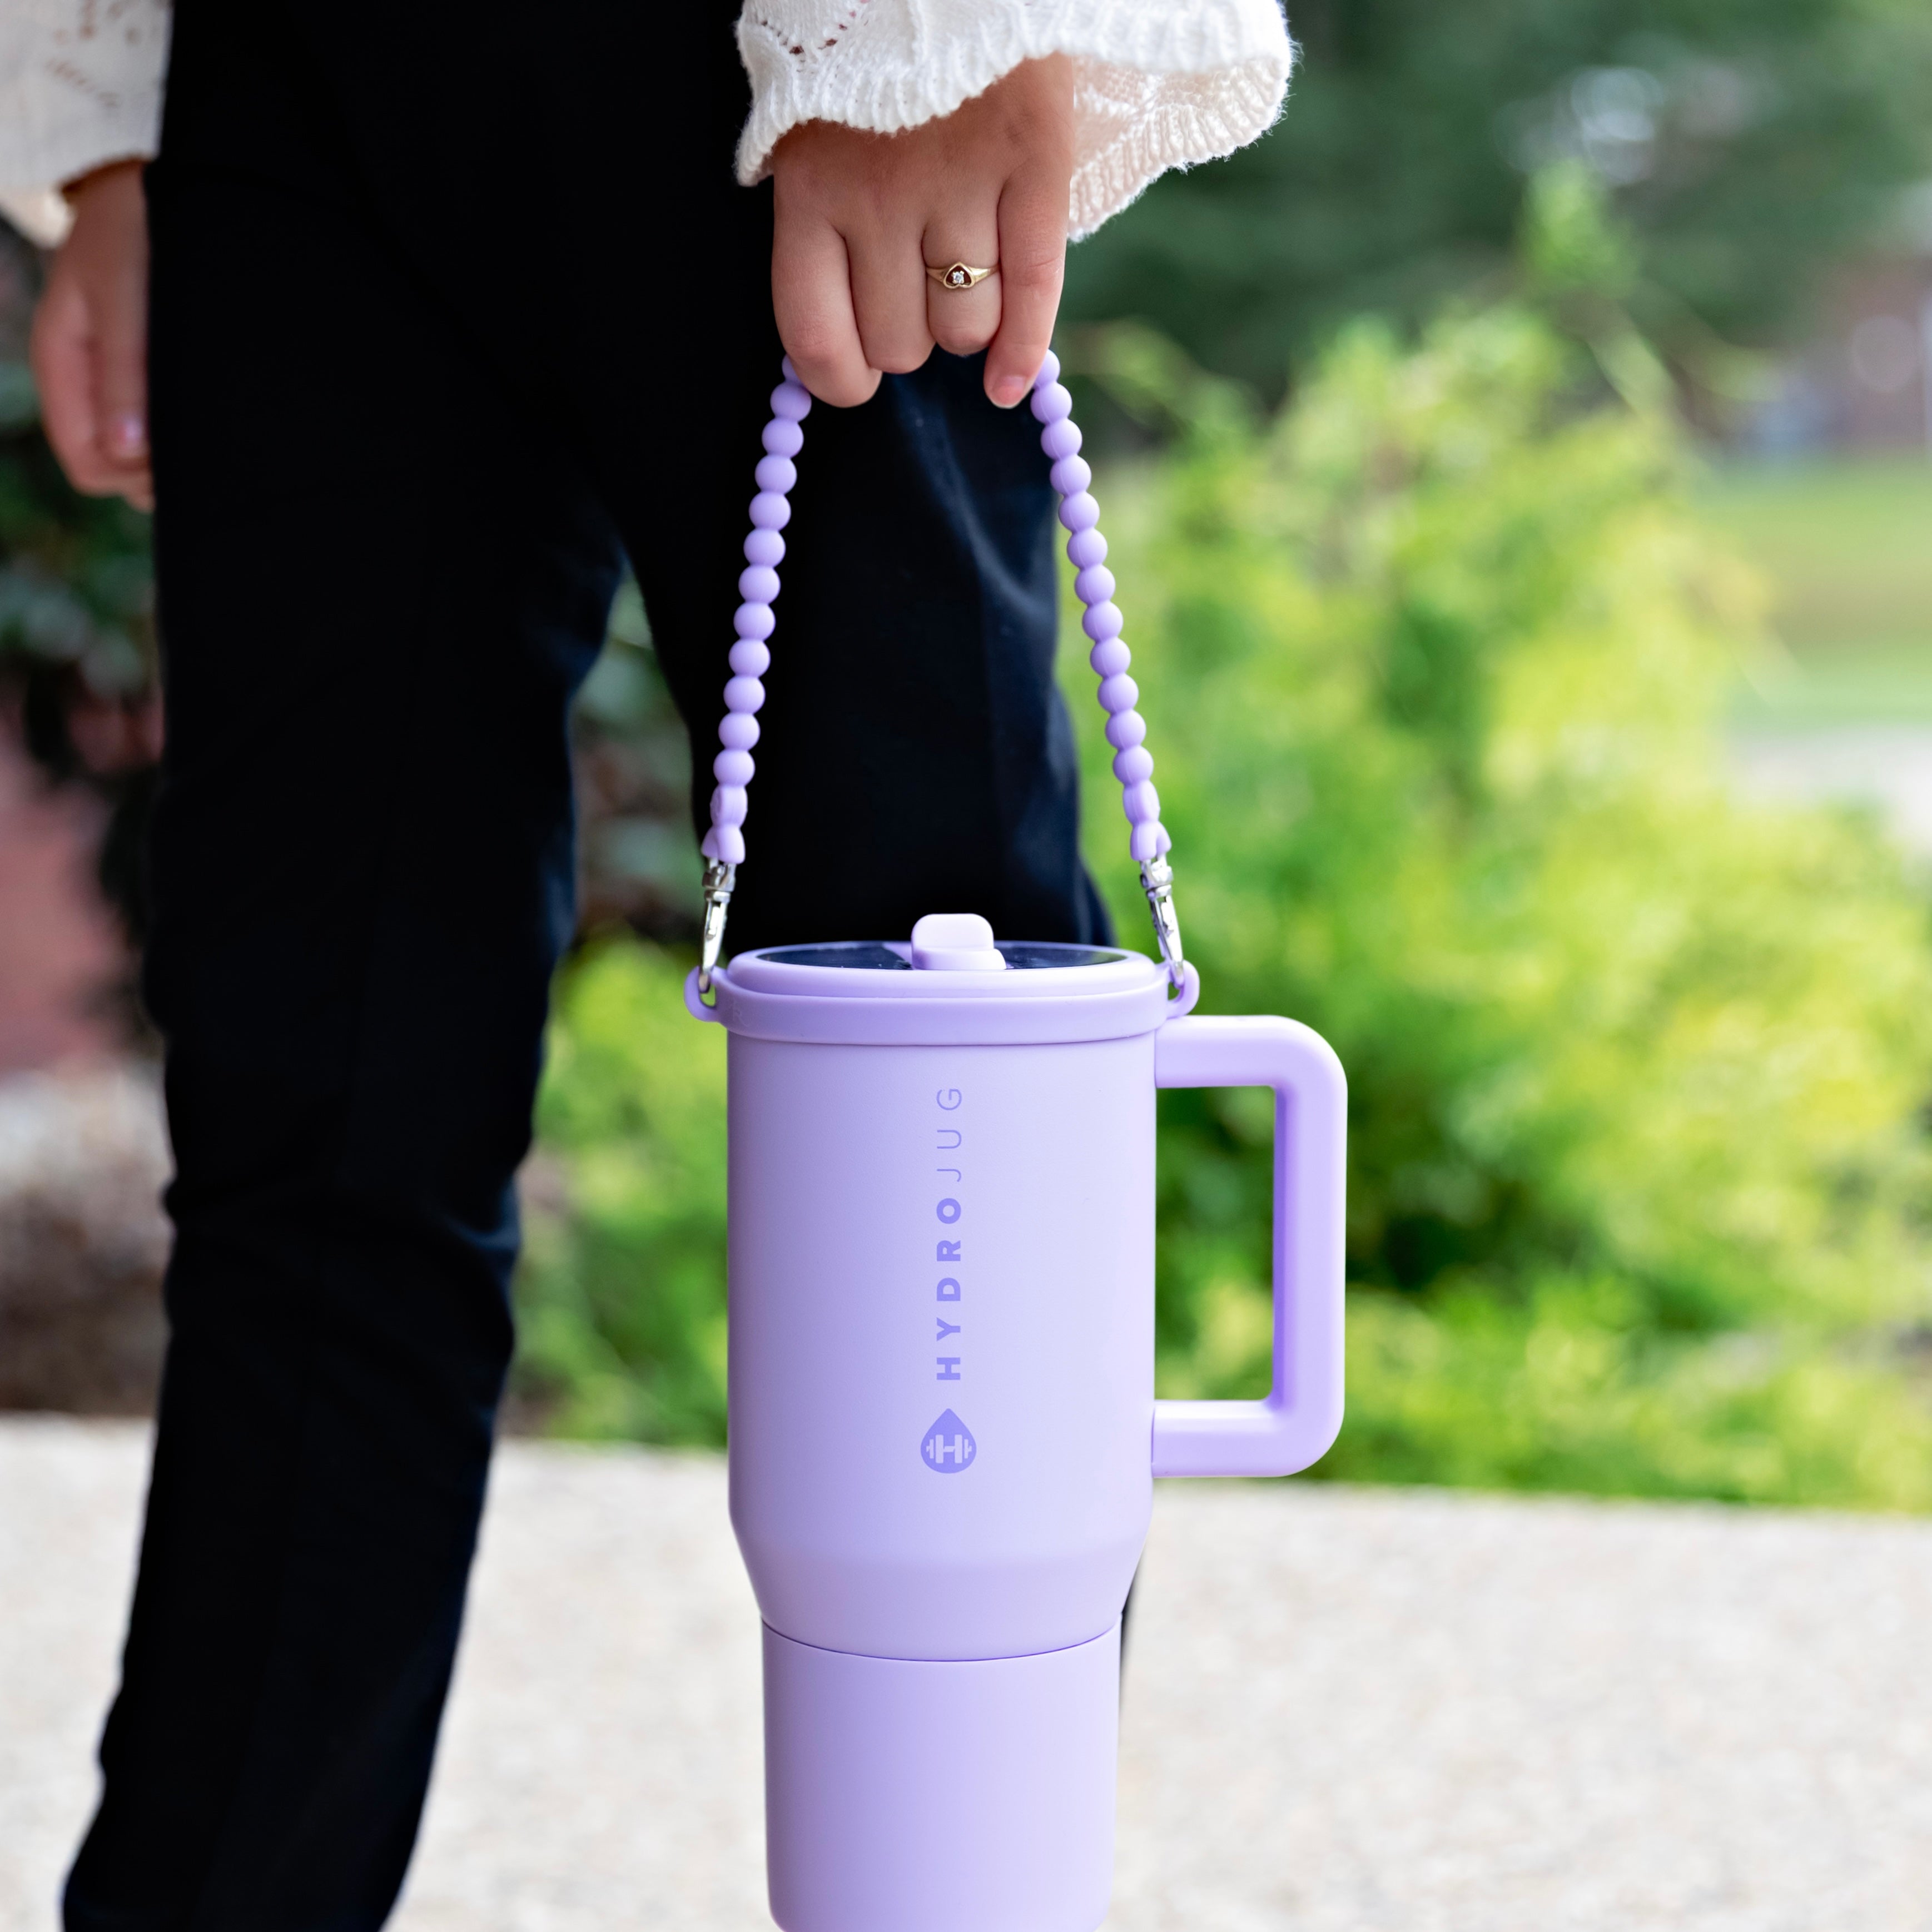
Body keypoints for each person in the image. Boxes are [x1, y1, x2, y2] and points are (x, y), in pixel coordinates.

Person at [5, 2, 1294, 1924]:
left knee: (945, 1054)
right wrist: (109, 117)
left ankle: (951, 1896)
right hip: (281, 83)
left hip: (774, 59)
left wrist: (918, 26)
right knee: (313, 1111)